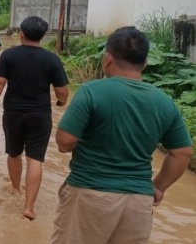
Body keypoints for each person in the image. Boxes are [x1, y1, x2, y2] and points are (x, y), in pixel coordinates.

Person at [51, 26, 193, 243]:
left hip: (90, 192)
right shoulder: (164, 102)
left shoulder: (92, 91)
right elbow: (182, 153)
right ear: (145, 63)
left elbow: (64, 142)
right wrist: (158, 186)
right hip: (139, 202)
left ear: (107, 58)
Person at [0, 16, 69, 220]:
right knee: (35, 159)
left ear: (21, 33)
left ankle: (15, 190)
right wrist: (60, 103)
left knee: (14, 153)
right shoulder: (52, 59)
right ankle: (29, 207)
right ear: (43, 36)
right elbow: (62, 92)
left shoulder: (9, 55)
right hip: (40, 114)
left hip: (13, 113)